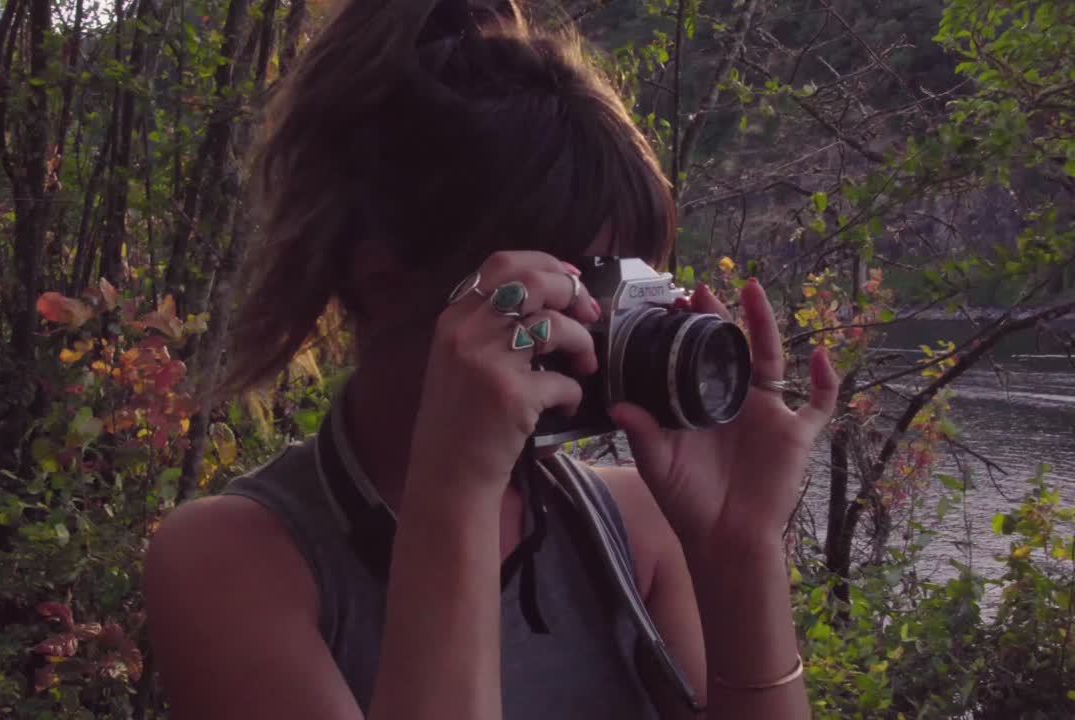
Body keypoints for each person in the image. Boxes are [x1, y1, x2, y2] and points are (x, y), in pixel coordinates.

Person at [144, 0, 839, 718]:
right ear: (384, 284)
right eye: (564, 291)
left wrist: (741, 550)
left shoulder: (631, 524)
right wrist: (455, 486)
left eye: (623, 289)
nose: (593, 332)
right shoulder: (233, 560)